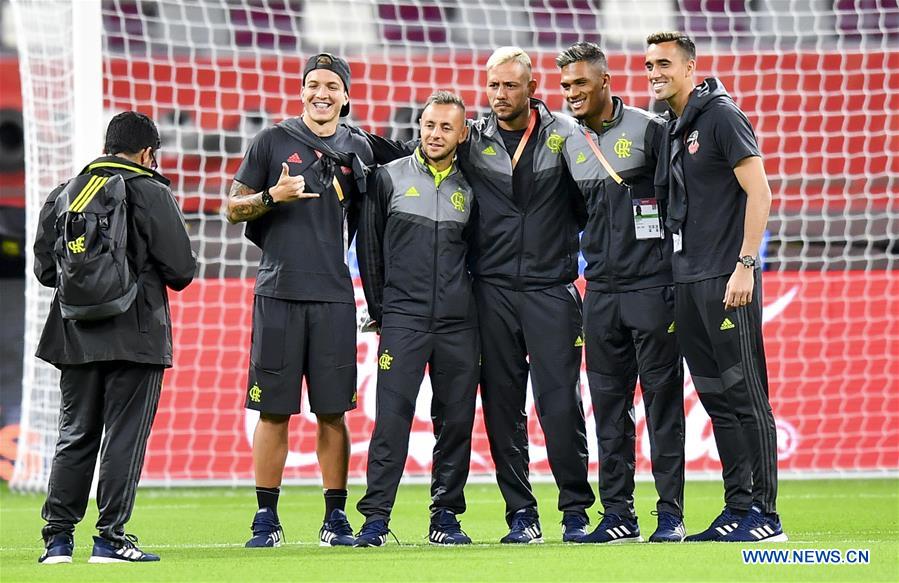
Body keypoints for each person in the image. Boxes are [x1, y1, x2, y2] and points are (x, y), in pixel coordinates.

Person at [363, 47, 595, 544]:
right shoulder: (474, 140)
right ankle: (522, 516)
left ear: (532, 88)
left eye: (510, 85)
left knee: (559, 405)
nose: (500, 95)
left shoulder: (563, 136)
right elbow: (424, 148)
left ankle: (575, 511)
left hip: (550, 291)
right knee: (502, 409)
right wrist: (358, 140)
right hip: (488, 294)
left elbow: (590, 204)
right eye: (493, 86)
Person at [33, 111, 197, 563]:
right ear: (148, 153)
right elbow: (182, 270)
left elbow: (45, 269)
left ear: (108, 146)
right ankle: (110, 538)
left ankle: (58, 539)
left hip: (74, 334)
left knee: (75, 433)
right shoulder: (151, 190)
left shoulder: (65, 192)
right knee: (124, 435)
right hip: (137, 333)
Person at [226, 53, 373, 548]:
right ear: (302, 90)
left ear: (346, 95)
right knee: (273, 412)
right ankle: (266, 519)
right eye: (313, 84)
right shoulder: (271, 140)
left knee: (333, 412)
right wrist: (272, 196)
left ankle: (335, 520)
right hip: (279, 292)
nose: (322, 93)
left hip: (334, 296)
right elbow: (231, 208)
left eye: (332, 85)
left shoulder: (360, 149)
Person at [645, 32, 786, 542]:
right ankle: (737, 507)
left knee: (748, 396)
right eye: (648, 64)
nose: (654, 72)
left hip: (728, 281)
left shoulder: (723, 116)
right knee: (716, 400)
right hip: (686, 280)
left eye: (663, 63)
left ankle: (767, 517)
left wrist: (746, 264)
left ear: (690, 67)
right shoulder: (671, 126)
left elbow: (760, 191)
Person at [556, 42, 686, 544]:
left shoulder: (652, 131)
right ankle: (618, 516)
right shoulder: (569, 145)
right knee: (609, 410)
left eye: (581, 83)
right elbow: (575, 216)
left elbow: (679, 201)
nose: (572, 93)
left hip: (653, 287)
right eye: (566, 85)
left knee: (662, 405)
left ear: (606, 82)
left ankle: (670, 514)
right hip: (602, 293)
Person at [353, 91, 479, 547]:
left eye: (446, 127)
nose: (435, 134)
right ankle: (375, 519)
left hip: (460, 324)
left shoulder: (474, 184)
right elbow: (368, 248)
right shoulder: (387, 178)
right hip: (403, 321)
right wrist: (382, 309)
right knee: (391, 421)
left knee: (456, 421)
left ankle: (445, 517)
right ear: (419, 127)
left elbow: (482, 255)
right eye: (429, 125)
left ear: (462, 134)